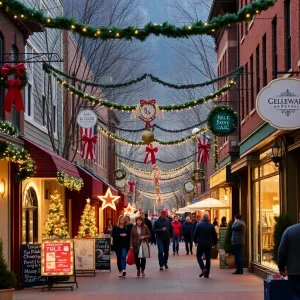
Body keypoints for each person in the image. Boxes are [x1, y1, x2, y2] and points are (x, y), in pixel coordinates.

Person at [278, 220, 300, 299]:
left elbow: (281, 251)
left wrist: (281, 268)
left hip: (294, 271)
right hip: (294, 271)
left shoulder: (289, 230)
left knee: (295, 294)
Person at [193, 213, 217, 279]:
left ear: (202, 218)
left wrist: (195, 242)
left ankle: (203, 268)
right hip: (209, 244)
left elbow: (195, 234)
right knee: (208, 258)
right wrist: (214, 243)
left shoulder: (198, 225)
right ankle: (207, 274)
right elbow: (215, 235)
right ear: (208, 218)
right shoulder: (211, 226)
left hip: (201, 244)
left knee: (198, 256)